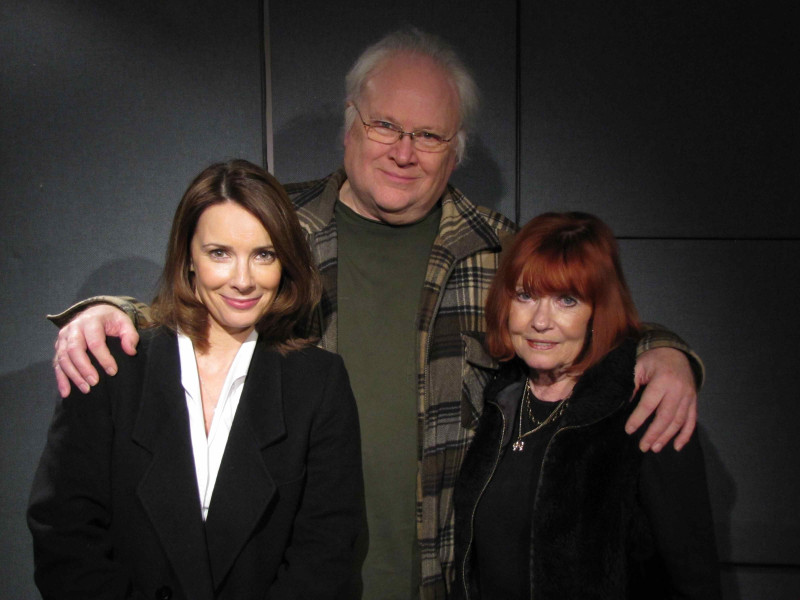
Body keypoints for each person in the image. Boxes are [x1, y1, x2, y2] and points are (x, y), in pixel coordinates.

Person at [47, 30, 703, 599]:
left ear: (456, 149)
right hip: (288, 580)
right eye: (384, 125)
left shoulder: (502, 254)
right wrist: (112, 311)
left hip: (441, 584)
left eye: (428, 135)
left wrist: (667, 352)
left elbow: (586, 316)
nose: (402, 151)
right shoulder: (280, 231)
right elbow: (207, 303)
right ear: (349, 125)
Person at [28, 160, 364, 600]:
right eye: (219, 253)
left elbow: (327, 555)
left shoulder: (318, 383)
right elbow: (65, 536)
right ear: (188, 257)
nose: (243, 280)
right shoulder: (113, 368)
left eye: (264, 254)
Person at [453, 212, 720, 599]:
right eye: (525, 296)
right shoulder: (495, 396)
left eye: (566, 300)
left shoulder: (644, 408)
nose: (541, 322)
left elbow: (692, 575)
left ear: (597, 311)